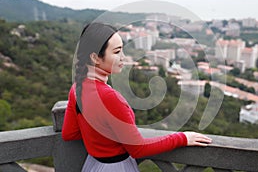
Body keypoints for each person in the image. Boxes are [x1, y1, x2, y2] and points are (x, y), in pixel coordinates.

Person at [62, 22, 212, 172]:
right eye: (117, 52)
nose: (123, 57)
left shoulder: (77, 88)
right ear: (95, 57)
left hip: (93, 165)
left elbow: (69, 133)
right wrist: (183, 138)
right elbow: (138, 149)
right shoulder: (110, 97)